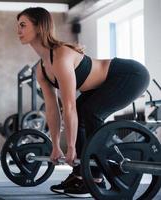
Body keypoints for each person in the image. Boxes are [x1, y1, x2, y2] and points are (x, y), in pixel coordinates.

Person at [16, 7, 150, 198]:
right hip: (105, 83)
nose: (18, 30)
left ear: (39, 27)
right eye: (18, 26)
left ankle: (94, 177)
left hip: (130, 74)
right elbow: (54, 110)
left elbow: (68, 107)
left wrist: (71, 148)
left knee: (90, 112)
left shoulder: (61, 56)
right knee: (83, 109)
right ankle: (80, 174)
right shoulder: (41, 69)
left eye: (23, 25)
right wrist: (55, 145)